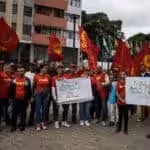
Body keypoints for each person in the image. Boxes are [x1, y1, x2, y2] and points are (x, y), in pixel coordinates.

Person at [10, 65, 31, 132]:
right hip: (15, 99)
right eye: (19, 71)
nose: (20, 72)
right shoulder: (14, 79)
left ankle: (22, 125)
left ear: (24, 72)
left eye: (22, 71)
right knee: (14, 113)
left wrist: (29, 98)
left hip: (24, 99)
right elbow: (11, 89)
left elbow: (29, 90)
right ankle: (13, 126)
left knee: (23, 113)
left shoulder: (27, 79)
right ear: (17, 72)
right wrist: (11, 98)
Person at [51, 64, 71, 128]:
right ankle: (56, 122)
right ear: (56, 70)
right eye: (58, 68)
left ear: (63, 69)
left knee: (66, 109)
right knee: (56, 110)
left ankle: (63, 121)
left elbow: (69, 86)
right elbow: (53, 87)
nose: (60, 69)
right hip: (57, 96)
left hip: (65, 97)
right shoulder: (54, 78)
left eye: (61, 68)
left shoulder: (66, 77)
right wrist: (54, 97)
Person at [33, 64, 51, 131]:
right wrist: (32, 96)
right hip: (38, 94)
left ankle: (43, 123)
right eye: (45, 68)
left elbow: (49, 86)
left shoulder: (48, 76)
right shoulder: (36, 76)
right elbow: (33, 86)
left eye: (47, 68)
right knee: (38, 109)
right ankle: (38, 124)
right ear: (41, 69)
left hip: (46, 95)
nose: (46, 69)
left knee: (44, 109)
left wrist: (49, 93)